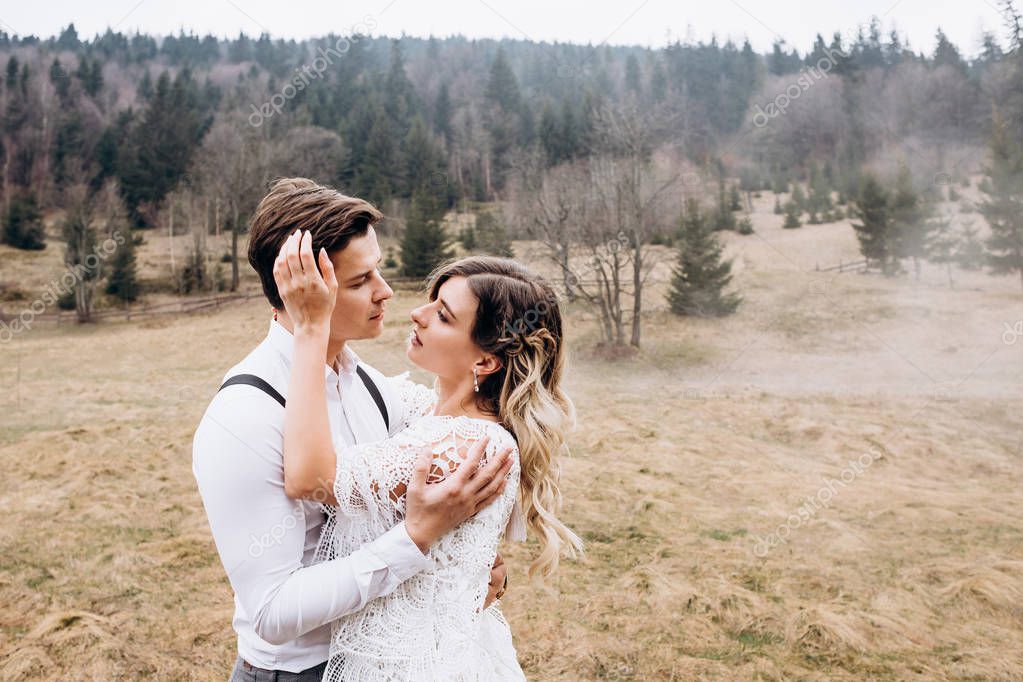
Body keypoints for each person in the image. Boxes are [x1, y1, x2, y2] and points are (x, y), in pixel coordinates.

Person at [192, 179, 512, 681]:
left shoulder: (369, 386)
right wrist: (414, 540)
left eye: (378, 270)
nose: (386, 292)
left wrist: (464, 573)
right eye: (360, 280)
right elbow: (272, 614)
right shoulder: (242, 417)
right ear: (304, 292)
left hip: (382, 658)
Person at [274, 230, 583, 680]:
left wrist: (310, 329)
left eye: (443, 316)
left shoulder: (466, 447)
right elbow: (353, 380)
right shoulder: (427, 410)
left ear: (485, 362)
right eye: (430, 301)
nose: (416, 314)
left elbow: (311, 479)